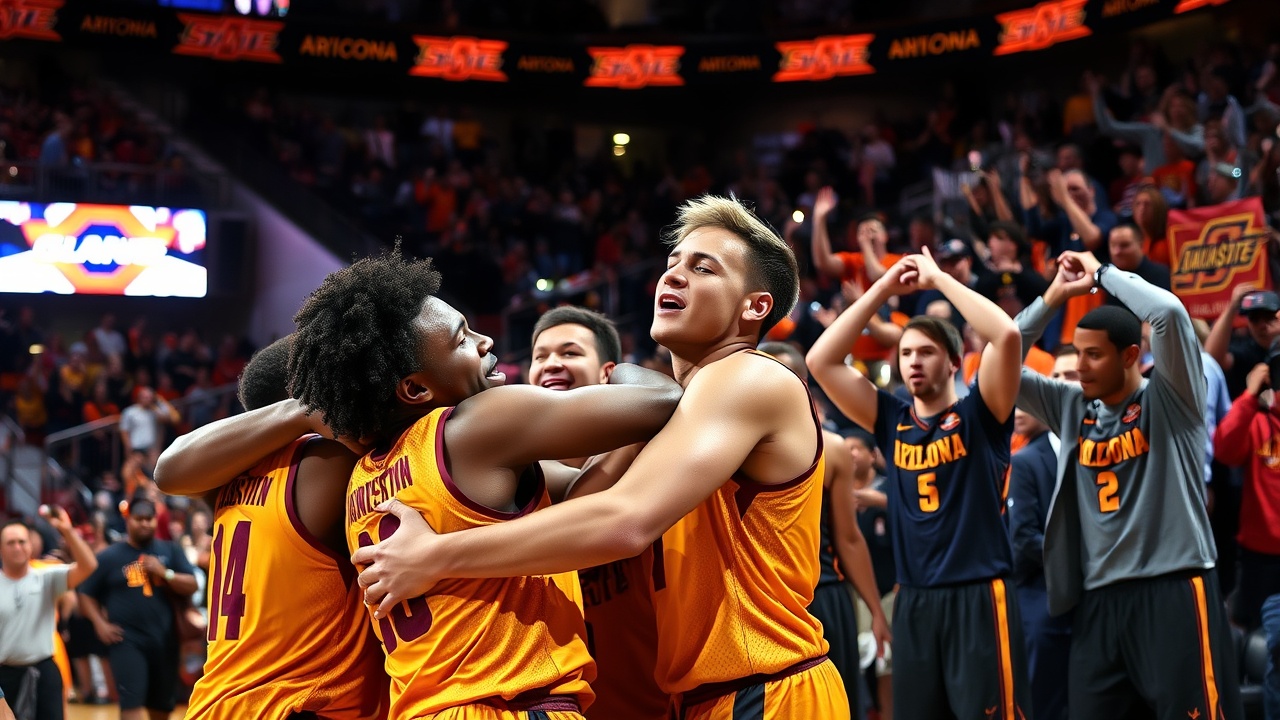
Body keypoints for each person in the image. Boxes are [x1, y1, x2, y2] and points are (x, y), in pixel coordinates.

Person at [354, 196, 850, 719]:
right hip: (708, 696)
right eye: (672, 263)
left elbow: (625, 519)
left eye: (702, 268)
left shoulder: (749, 375)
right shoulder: (685, 409)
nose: (673, 276)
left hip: (769, 685)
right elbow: (585, 497)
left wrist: (435, 555)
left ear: (755, 307)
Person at [243, 247, 681, 719]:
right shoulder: (475, 424)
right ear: (416, 389)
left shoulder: (362, 478)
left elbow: (577, 496)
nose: (486, 340)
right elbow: (661, 398)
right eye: (461, 338)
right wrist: (620, 370)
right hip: (510, 704)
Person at [1012, 250, 1242, 718]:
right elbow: (1001, 358)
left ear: (1131, 355)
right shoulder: (1072, 406)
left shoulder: (1173, 397)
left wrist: (1102, 274)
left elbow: (1169, 312)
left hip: (1174, 586)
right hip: (1098, 599)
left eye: (1093, 355)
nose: (1080, 366)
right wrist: (1054, 296)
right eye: (1078, 353)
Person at [806, 249, 1029, 719]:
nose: (913, 362)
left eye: (926, 352)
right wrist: (883, 289)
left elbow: (1007, 334)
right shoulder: (892, 418)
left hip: (978, 593)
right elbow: (821, 360)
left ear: (954, 362)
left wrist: (938, 279)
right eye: (906, 353)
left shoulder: (981, 413)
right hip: (914, 598)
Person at [153, 337, 388, 720]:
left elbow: (168, 469)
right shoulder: (331, 460)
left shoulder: (222, 479)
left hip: (215, 701)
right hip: (295, 704)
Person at [526, 306, 669, 720]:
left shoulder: (652, 454)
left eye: (570, 353)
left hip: (657, 704)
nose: (552, 363)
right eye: (540, 356)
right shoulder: (520, 470)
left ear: (608, 373)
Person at [758, 340, 892, 717]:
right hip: (763, 597)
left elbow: (848, 538)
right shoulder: (731, 443)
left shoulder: (832, 448)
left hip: (824, 595)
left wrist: (875, 612)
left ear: (801, 384)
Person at [76, 498, 198, 720]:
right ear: (128, 520)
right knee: (131, 704)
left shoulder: (170, 550)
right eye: (138, 519)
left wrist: (164, 572)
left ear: (156, 521)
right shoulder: (109, 557)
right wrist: (100, 624)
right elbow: (85, 592)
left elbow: (192, 585)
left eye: (149, 519)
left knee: (161, 708)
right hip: (126, 641)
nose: (144, 524)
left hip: (165, 641)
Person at [0, 508, 98, 720]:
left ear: (31, 545)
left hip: (44, 671)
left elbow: (89, 566)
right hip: (5, 675)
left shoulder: (45, 576)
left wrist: (68, 531)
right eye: (10, 543)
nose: (17, 547)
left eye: (22, 541)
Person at [1007, 408, 1072, 720]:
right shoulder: (1024, 460)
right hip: (1039, 597)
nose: (1018, 413)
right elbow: (1023, 538)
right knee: (1041, 702)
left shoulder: (1085, 449)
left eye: (1026, 403)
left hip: (1090, 601)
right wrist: (1078, 559)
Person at [1212, 362, 1280, 632]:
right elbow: (1224, 450)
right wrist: (1250, 395)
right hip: (1259, 557)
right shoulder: (1258, 420)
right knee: (1256, 640)